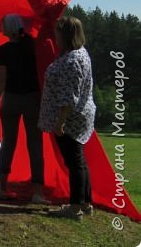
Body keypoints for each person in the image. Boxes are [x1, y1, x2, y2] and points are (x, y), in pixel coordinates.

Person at [39, 16, 96, 220]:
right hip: (80, 116)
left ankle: (74, 208)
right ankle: (86, 203)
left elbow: (68, 97)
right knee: (79, 161)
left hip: (70, 119)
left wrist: (60, 122)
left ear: (66, 35)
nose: (56, 37)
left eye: (58, 33)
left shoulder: (72, 60)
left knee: (74, 163)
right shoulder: (81, 54)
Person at [0, 14, 47, 204]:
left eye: (3, 24)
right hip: (33, 99)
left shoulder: (3, 50)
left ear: (10, 28)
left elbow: (1, 81)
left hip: (11, 99)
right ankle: (38, 192)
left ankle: (2, 188)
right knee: (35, 144)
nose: (1, 26)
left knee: (8, 142)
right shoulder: (32, 46)